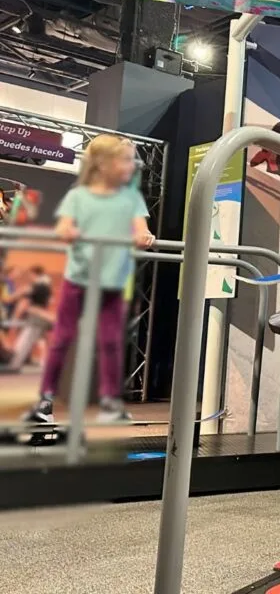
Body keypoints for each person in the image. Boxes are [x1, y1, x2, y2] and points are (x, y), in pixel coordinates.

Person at [23, 134, 155, 424]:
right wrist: (68, 231)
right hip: (79, 279)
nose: (130, 165)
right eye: (124, 159)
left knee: (110, 341)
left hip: (111, 281)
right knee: (62, 338)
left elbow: (141, 230)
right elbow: (64, 227)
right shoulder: (79, 196)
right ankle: (44, 401)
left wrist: (144, 236)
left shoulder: (131, 198)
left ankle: (110, 403)